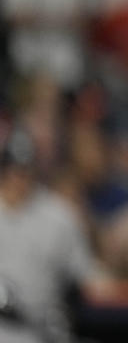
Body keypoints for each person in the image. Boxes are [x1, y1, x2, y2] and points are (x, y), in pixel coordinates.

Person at [0, 129, 106, 343]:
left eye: (25, 170)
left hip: (42, 330)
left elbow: (88, 275)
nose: (19, 178)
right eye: (13, 171)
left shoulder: (58, 216)